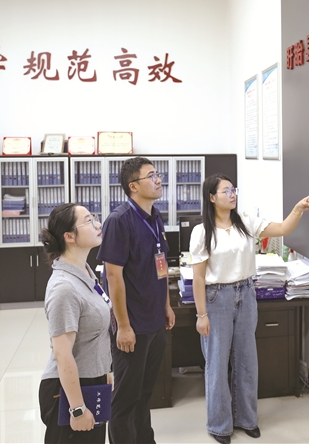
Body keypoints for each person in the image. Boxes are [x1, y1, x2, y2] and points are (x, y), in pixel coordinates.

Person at [189, 174, 309, 444]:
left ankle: (247, 419)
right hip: (217, 298)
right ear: (211, 197)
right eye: (226, 191)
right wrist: (201, 315)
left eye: (233, 190)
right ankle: (220, 425)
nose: (232, 194)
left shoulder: (245, 222)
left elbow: (282, 228)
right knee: (217, 363)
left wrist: (298, 209)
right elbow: (198, 278)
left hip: (246, 294)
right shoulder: (202, 232)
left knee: (247, 360)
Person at [97, 156, 176, 444]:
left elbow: (161, 265)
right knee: (125, 400)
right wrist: (123, 326)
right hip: (132, 325)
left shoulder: (155, 217)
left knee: (145, 395)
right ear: (133, 186)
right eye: (151, 175)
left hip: (155, 321)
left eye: (157, 174)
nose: (158, 180)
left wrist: (166, 305)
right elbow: (113, 277)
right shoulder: (119, 221)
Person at [38, 203, 111, 444]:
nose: (98, 224)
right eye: (89, 221)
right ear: (69, 236)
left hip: (91, 380)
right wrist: (77, 409)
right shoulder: (64, 288)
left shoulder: (85, 273)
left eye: (94, 218)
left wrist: (105, 371)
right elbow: (63, 354)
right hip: (69, 392)